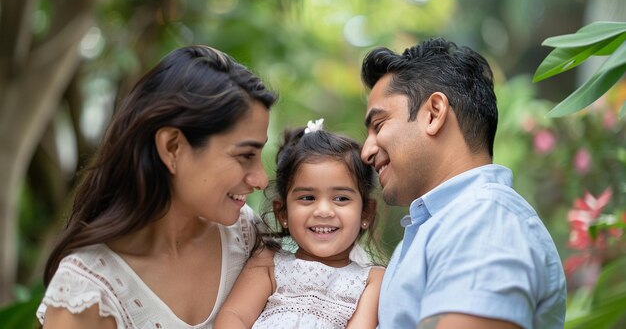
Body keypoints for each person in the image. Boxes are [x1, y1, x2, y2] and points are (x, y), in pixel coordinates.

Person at [37, 45, 277, 328]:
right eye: (245, 155)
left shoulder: (245, 235)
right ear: (172, 147)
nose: (261, 179)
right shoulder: (88, 293)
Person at [359, 38, 566, 329]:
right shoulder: (447, 223)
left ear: (433, 113)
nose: (365, 152)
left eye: (378, 125)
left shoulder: (483, 219)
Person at [214, 119, 385, 329]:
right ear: (282, 212)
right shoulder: (268, 263)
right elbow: (234, 317)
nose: (323, 211)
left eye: (341, 198)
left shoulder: (372, 280)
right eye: (307, 198)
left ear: (365, 212)